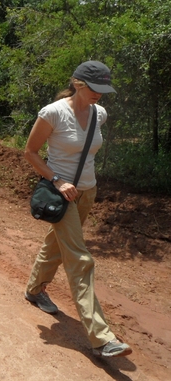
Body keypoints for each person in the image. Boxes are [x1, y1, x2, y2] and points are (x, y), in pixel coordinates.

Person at [23, 61, 132, 358]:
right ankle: (102, 337)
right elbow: (30, 152)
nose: (99, 94)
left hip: (88, 191)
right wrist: (57, 181)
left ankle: (34, 290)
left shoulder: (100, 114)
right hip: (62, 194)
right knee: (80, 258)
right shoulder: (53, 112)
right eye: (94, 88)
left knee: (56, 245)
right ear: (77, 83)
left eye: (103, 89)